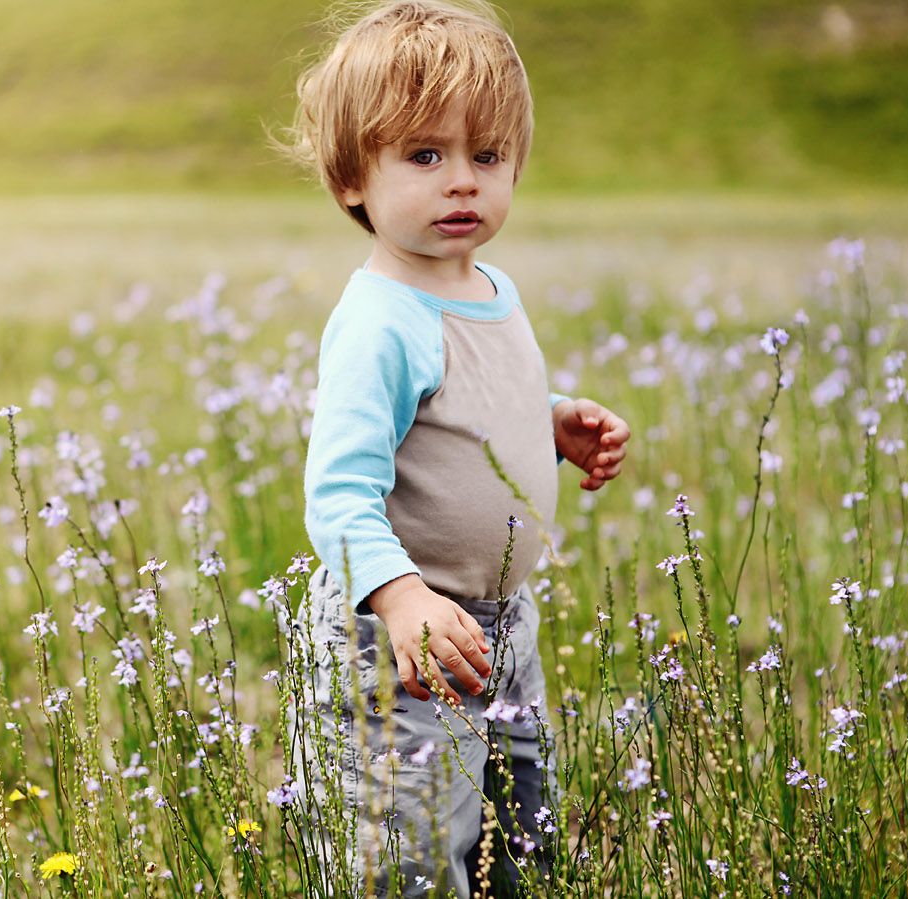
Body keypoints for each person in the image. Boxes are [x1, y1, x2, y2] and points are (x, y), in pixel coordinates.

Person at [287, 1, 630, 895]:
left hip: (503, 624)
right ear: (351, 180)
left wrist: (548, 421)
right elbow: (338, 493)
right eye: (426, 156)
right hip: (404, 640)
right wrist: (402, 599)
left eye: (487, 156)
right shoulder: (378, 322)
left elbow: (469, 404)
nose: (464, 182)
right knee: (408, 851)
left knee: (518, 835)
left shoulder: (490, 286)